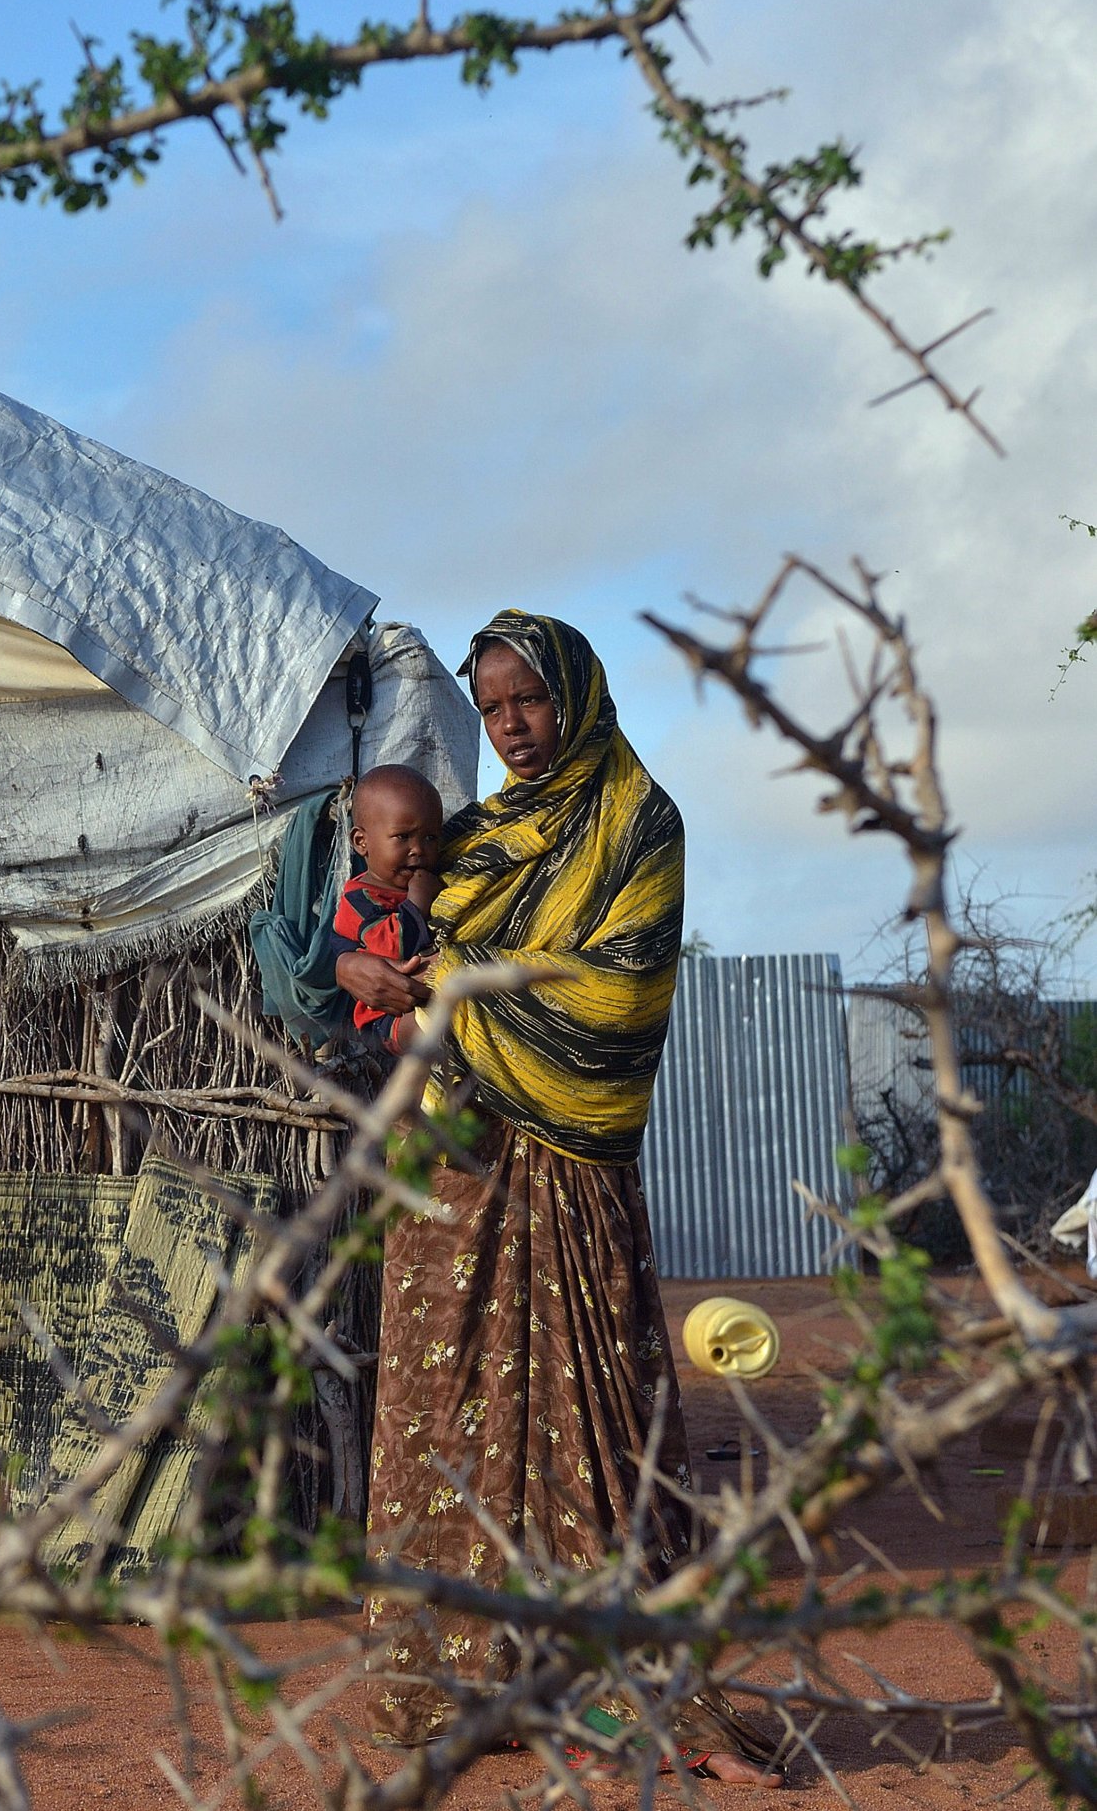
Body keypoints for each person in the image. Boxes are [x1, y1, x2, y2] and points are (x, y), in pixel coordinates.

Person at [335, 610, 783, 1786]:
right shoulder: (466, 837)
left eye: (526, 698)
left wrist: (456, 989)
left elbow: (620, 999)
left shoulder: (639, 823)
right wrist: (362, 966)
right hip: (456, 1161)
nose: (510, 726)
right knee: (444, 1405)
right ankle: (457, 1684)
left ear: (573, 692)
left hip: (572, 1162)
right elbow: (344, 930)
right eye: (489, 709)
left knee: (598, 1419)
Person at [334, 765, 444, 1052]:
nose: (418, 849)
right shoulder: (359, 899)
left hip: (421, 998)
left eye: (430, 838)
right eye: (403, 837)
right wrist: (418, 903)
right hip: (388, 1018)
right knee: (446, 1030)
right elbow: (391, 947)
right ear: (361, 842)